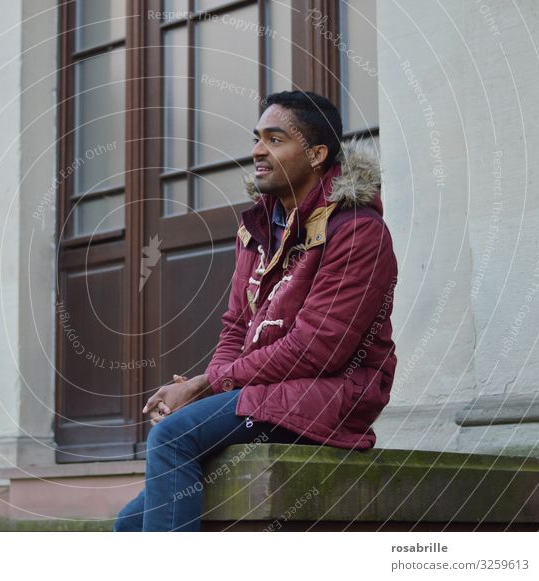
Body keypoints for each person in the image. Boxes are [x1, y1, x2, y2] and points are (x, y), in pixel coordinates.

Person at [114, 90, 398, 532]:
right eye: (256, 138)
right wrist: (206, 389)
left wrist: (207, 385)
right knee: (132, 521)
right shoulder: (257, 228)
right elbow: (235, 328)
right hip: (266, 389)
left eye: (275, 138)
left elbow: (320, 348)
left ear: (317, 153)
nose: (257, 151)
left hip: (332, 390)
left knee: (172, 436)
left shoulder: (357, 230)